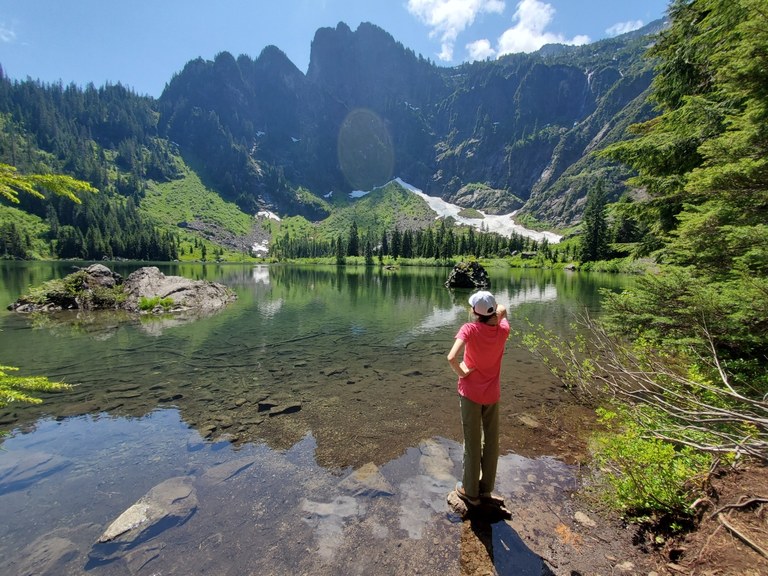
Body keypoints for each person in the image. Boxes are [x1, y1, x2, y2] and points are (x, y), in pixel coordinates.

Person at [447, 290, 509, 506]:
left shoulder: (469, 329)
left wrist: (463, 372)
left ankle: (470, 492)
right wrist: (495, 312)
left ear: (474, 311)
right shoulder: (503, 330)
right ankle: (486, 490)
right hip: (492, 395)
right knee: (491, 441)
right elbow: (502, 309)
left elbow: (451, 357)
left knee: (472, 442)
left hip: (470, 394)